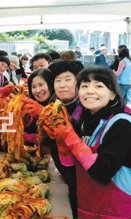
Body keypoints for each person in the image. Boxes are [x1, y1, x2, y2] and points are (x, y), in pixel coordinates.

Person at [43, 66, 131, 218]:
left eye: (99, 86)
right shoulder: (86, 123)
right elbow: (72, 173)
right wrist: (62, 146)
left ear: (112, 94)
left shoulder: (122, 124)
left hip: (118, 210)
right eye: (84, 86)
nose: (90, 91)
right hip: (89, 207)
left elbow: (102, 171)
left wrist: (71, 138)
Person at [47, 60, 85, 218]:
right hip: (65, 170)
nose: (62, 85)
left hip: (83, 175)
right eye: (58, 81)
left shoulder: (86, 107)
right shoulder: (54, 104)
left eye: (68, 79)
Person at [22, 69, 56, 145]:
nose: (37, 90)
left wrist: (29, 137)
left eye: (41, 85)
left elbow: (57, 138)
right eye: (33, 87)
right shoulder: (32, 105)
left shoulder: (58, 105)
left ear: (50, 84)